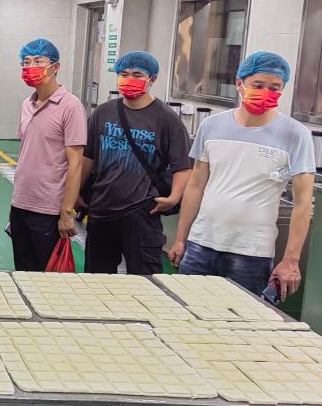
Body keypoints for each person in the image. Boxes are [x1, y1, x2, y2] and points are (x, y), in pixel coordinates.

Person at [169, 51, 315, 299]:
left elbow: (303, 202)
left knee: (242, 318)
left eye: (275, 87)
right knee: (187, 311)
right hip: (201, 243)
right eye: (258, 85)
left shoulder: (295, 134)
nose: (266, 92)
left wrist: (291, 260)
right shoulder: (211, 126)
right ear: (239, 84)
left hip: (251, 253)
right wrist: (181, 238)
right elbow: (196, 185)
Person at [81, 51, 191, 274]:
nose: (129, 79)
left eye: (137, 74)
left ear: (152, 79)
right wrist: (75, 192)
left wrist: (173, 197)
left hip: (142, 211)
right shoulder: (103, 113)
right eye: (124, 74)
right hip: (102, 208)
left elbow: (182, 166)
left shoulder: (167, 119)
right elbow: (87, 157)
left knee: (145, 280)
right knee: (96, 278)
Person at [10, 38, 86, 271]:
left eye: (38, 61)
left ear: (55, 67)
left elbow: (76, 164)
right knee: (23, 271)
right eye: (26, 62)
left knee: (46, 277)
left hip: (48, 209)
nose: (30, 66)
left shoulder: (71, 107)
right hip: (20, 203)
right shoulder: (27, 104)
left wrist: (67, 212)